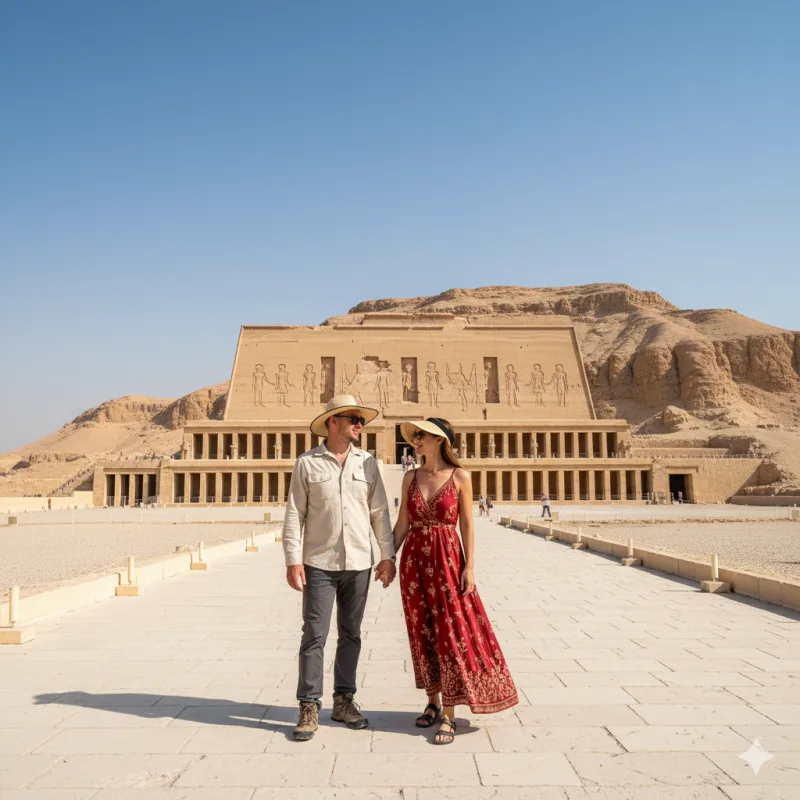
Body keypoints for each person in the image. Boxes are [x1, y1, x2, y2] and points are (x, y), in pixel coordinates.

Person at [393, 417, 518, 745]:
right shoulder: (410, 477)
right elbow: (402, 525)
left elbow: (466, 524)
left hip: (448, 560)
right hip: (414, 563)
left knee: (450, 631)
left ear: (439, 440)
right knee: (422, 631)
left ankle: (449, 711)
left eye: (422, 436)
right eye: (415, 436)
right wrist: (385, 558)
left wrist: (470, 567)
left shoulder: (460, 477)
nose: (416, 440)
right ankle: (432, 702)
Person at [282, 394, 396, 741]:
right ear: (333, 422)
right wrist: (292, 559)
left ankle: (344, 701)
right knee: (314, 635)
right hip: (320, 562)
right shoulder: (308, 463)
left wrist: (387, 556)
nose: (359, 425)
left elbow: (379, 513)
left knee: (351, 634)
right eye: (353, 419)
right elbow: (294, 514)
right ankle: (309, 704)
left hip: (359, 561)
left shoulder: (368, 463)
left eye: (360, 420)